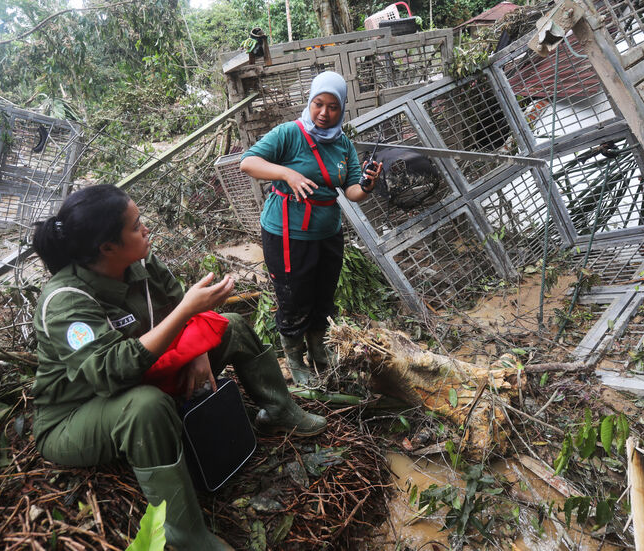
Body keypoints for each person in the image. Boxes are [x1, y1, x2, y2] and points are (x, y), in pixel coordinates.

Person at [30, 184, 327, 551]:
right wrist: (187, 313)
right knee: (146, 406)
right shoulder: (66, 303)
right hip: (79, 412)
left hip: (147, 373)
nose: (146, 229)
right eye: (136, 225)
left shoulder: (138, 263)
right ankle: (184, 532)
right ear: (106, 247)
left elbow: (183, 311)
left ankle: (280, 410)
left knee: (230, 325)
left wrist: (197, 348)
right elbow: (109, 372)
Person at [239, 71, 382, 387]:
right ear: (310, 101)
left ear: (341, 108)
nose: (324, 113)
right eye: (319, 104)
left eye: (333, 107)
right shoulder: (289, 134)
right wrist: (288, 174)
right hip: (286, 234)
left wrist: (367, 185)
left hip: (328, 234)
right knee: (294, 298)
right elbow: (248, 163)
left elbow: (352, 192)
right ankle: (295, 358)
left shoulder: (342, 143)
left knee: (322, 296)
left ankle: (318, 350)